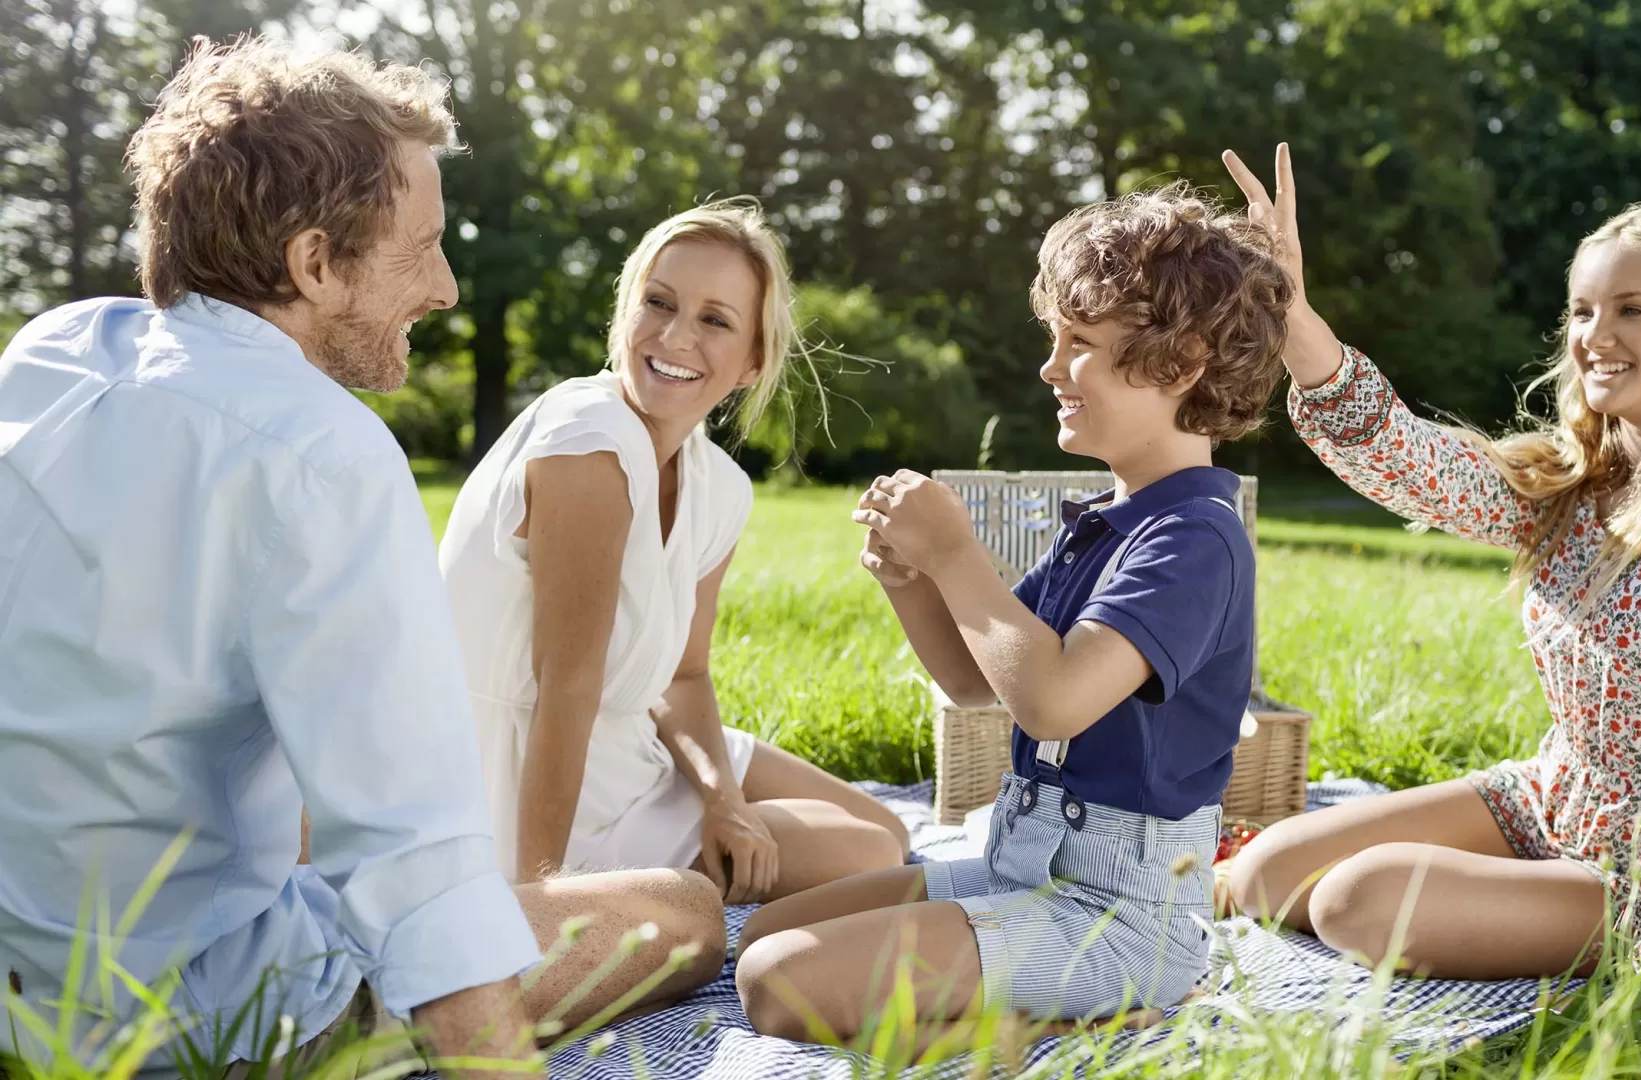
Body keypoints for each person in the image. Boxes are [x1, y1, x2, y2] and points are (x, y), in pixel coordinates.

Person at [0, 38, 723, 1077]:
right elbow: (416, 870)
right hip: (184, 1017)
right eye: (420, 247)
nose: (445, 287)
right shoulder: (323, 452)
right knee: (684, 911)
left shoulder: (56, 355)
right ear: (311, 264)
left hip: (20, 977)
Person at [1218, 145, 1641, 978]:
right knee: (1261, 871)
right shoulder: (1575, 479)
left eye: (1632, 310)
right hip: (1547, 798)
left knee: (1354, 901)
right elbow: (1407, 461)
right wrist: (1292, 313)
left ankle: (1541, 913)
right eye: (1582, 311)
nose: (1596, 337)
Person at [730, 183, 1292, 1046]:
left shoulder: (1194, 541)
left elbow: (1055, 701)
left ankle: (1079, 1029)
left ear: (1177, 366)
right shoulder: (1112, 523)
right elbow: (974, 679)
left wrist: (958, 554)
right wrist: (912, 579)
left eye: (1080, 345)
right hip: (1021, 869)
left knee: (779, 986)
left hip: (1115, 918)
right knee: (765, 935)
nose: (1050, 367)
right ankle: (1032, 1002)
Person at [437, 199, 909, 902]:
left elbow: (684, 677)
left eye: (715, 319)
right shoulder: (588, 440)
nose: (676, 335)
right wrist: (542, 897)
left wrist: (723, 798)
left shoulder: (718, 485)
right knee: (867, 852)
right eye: (657, 302)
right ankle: (650, 894)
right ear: (624, 314)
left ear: (752, 360)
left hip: (626, 743)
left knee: (888, 831)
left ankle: (708, 864)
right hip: (518, 769)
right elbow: (566, 687)